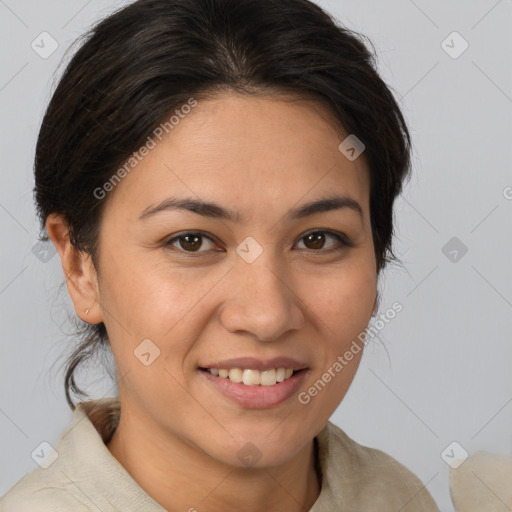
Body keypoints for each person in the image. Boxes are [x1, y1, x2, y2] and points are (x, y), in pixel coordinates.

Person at [0, 0, 440, 510]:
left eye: (317, 239)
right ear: (81, 268)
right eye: (192, 241)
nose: (267, 315)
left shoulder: (401, 498)